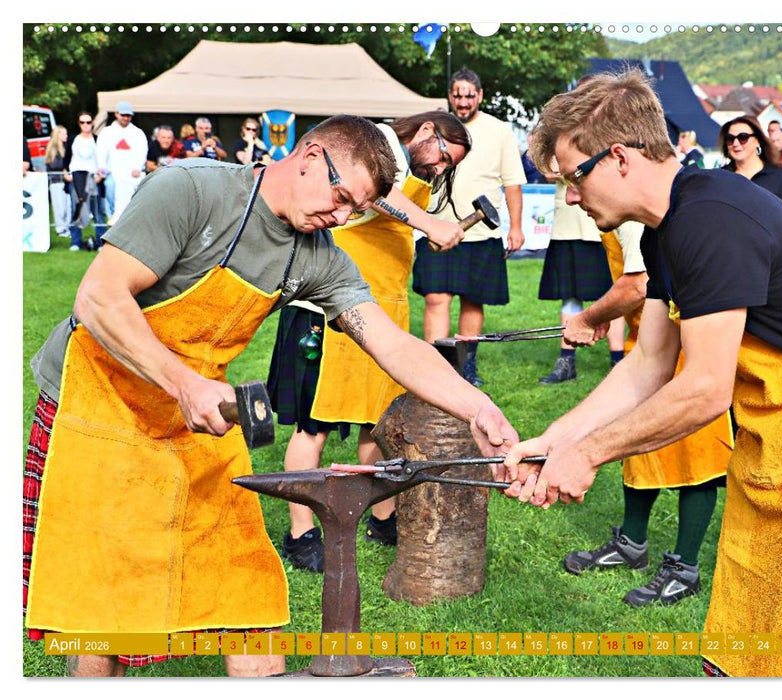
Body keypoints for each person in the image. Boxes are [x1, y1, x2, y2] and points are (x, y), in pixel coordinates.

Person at [23, 115, 517, 677]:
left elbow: (394, 345)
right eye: (339, 198)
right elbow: (99, 298)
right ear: (308, 155)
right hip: (98, 409)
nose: (340, 217)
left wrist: (479, 407)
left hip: (199, 420)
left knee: (249, 594)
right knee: (104, 611)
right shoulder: (191, 191)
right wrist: (183, 382)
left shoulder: (317, 256)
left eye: (354, 210)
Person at [503, 69, 782, 677]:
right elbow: (650, 364)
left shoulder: (707, 219)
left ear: (621, 158)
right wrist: (554, 442)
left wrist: (588, 455)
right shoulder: (667, 230)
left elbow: (704, 388)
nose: (570, 196)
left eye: (572, 176)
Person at [268, 111, 471, 570]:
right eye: (442, 156)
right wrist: (429, 224)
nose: (439, 169)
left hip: (381, 316)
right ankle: (301, 533)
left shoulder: (409, 173)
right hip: (326, 312)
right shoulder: (374, 139)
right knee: (311, 427)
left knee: (377, 421)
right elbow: (375, 192)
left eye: (448, 167)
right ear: (425, 131)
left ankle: (382, 517)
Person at [559, 220, 732, 606]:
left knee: (695, 460)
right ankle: (631, 543)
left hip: (689, 346)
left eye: (574, 179)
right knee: (639, 449)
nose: (572, 198)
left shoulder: (633, 217)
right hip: (649, 343)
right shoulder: (614, 212)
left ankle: (685, 567)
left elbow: (637, 284)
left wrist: (591, 317)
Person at [413, 68, 527, 386]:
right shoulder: (434, 126)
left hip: (481, 233)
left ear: (480, 95)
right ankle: (435, 367)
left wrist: (515, 227)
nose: (463, 102)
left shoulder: (499, 130)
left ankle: (466, 365)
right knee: (436, 298)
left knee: (472, 299)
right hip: (437, 227)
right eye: (457, 95)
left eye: (469, 95)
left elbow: (513, 182)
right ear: (450, 96)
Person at [536, 181, 622, 384]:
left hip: (604, 224)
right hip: (567, 226)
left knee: (614, 294)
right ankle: (567, 364)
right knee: (570, 294)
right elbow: (548, 170)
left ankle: (619, 363)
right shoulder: (555, 149)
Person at [720, 115, 782, 215]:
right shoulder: (721, 178)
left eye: (743, 137)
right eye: (730, 138)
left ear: (757, 140)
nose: (735, 143)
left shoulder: (778, 178)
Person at [96, 100, 148, 225]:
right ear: (116, 114)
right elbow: (101, 151)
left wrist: (138, 167)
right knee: (110, 188)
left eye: (128, 115)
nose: (125, 118)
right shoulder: (107, 132)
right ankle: (115, 217)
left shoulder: (137, 133)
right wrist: (101, 167)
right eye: (123, 115)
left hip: (131, 174)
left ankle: (127, 220)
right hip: (112, 172)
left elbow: (142, 151)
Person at [66, 111, 108, 251]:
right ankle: (75, 242)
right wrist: (66, 173)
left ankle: (101, 242)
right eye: (82, 122)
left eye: (88, 122)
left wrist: (100, 176)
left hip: (94, 177)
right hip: (76, 177)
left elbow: (103, 159)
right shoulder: (73, 139)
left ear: (92, 123)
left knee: (97, 211)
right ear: (79, 124)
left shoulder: (98, 139)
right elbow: (66, 159)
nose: (85, 125)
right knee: (75, 209)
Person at [43, 125, 73, 238]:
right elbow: (54, 164)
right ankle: (60, 228)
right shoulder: (53, 148)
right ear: (58, 135)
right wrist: (65, 169)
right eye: (64, 133)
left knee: (68, 206)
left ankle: (67, 227)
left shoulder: (65, 147)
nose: (66, 136)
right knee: (60, 207)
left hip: (66, 182)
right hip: (57, 181)